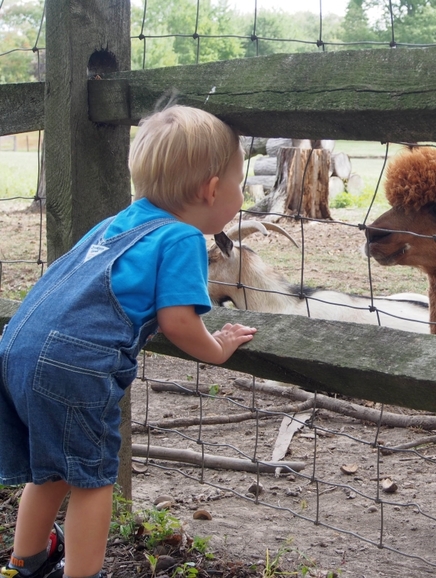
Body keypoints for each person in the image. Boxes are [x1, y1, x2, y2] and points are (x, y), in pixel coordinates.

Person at [0, 105, 257, 578]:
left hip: (19, 346)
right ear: (211, 189)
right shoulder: (181, 238)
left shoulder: (116, 223)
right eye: (240, 183)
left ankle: (25, 563)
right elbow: (179, 322)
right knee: (93, 480)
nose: (242, 194)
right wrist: (218, 346)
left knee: (51, 469)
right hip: (72, 367)